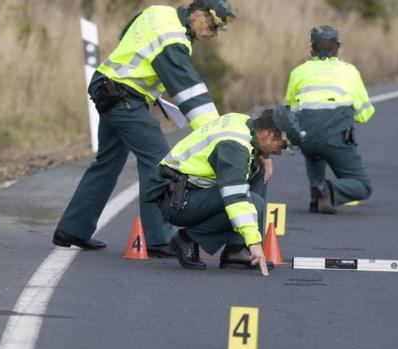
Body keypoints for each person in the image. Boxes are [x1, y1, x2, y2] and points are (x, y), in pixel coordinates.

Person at [52, 0, 235, 257]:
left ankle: (73, 229)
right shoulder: (174, 39)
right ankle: (160, 238)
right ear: (196, 13)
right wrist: (219, 136)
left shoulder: (159, 12)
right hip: (124, 97)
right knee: (159, 162)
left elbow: (127, 35)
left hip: (109, 86)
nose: (212, 33)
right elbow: (190, 92)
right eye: (212, 24)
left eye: (217, 29)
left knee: (107, 162)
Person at [145, 108, 300, 276]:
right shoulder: (234, 146)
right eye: (282, 145)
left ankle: (236, 249)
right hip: (177, 201)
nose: (279, 152)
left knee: (259, 170)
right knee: (252, 203)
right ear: (269, 134)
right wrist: (254, 242)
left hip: (185, 190)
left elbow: (250, 152)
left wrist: (264, 156)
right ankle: (188, 239)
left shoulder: (242, 121)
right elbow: (235, 196)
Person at [283, 25, 376, 214]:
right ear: (337, 48)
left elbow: (290, 110)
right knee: (363, 186)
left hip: (305, 136)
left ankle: (315, 197)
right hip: (335, 137)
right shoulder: (348, 71)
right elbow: (365, 113)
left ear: (311, 49)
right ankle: (328, 190)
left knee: (314, 151)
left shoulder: (298, 72)